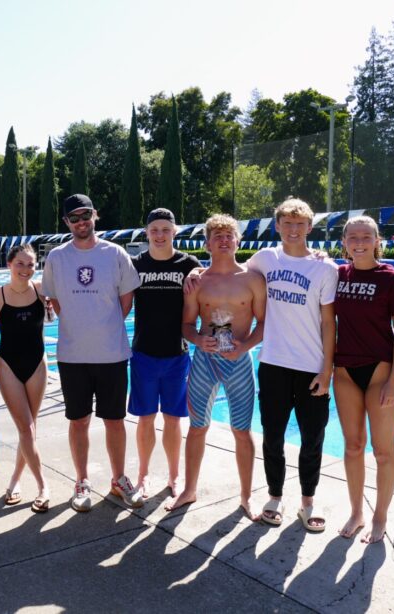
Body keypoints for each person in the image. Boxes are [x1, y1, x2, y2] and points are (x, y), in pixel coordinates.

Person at [42, 194, 143, 512]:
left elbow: (126, 300)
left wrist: (105, 325)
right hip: (73, 355)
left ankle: (119, 479)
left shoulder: (115, 253)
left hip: (111, 353)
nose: (81, 222)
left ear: (95, 215)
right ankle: (82, 481)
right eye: (74, 218)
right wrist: (80, 324)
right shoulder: (57, 257)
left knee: (115, 420)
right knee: (78, 420)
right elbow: (55, 301)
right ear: (66, 222)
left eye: (85, 215)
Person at [246, 198, 338, 532]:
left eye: (300, 224)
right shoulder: (265, 258)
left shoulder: (325, 268)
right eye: (287, 223)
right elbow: (233, 274)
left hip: (311, 366)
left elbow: (328, 322)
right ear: (278, 226)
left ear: (310, 227)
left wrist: (326, 370)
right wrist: (200, 271)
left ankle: (308, 501)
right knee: (273, 436)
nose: (293, 229)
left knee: (313, 438)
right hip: (273, 363)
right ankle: (275, 496)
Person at [167, 214, 266, 517]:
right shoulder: (197, 281)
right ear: (208, 244)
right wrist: (198, 339)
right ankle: (189, 490)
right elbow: (186, 325)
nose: (224, 240)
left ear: (238, 241)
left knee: (242, 430)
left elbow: (265, 323)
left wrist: (245, 346)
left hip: (239, 361)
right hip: (205, 361)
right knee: (197, 427)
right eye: (217, 236)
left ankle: (246, 497)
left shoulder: (253, 279)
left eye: (228, 235)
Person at [334, 216, 394, 544]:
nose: (359, 242)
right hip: (344, 372)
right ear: (344, 242)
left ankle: (380, 516)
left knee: (382, 451)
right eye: (353, 237)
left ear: (377, 240)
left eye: (366, 236)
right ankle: (357, 512)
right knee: (353, 446)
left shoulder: (392, 279)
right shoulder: (337, 275)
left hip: (380, 371)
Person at [128, 208, 201, 499]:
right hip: (143, 354)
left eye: (165, 230)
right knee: (145, 418)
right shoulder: (135, 264)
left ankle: (174, 475)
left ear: (175, 232)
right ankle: (143, 475)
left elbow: (220, 278)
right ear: (147, 233)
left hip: (176, 354)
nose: (160, 235)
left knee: (173, 419)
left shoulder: (189, 264)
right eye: (154, 230)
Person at [0, 244, 50, 512]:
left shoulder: (41, 290)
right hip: (8, 365)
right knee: (26, 428)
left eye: (30, 264)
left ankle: (14, 480)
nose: (25, 269)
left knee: (29, 429)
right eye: (20, 264)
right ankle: (43, 486)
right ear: (9, 264)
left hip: (37, 364)